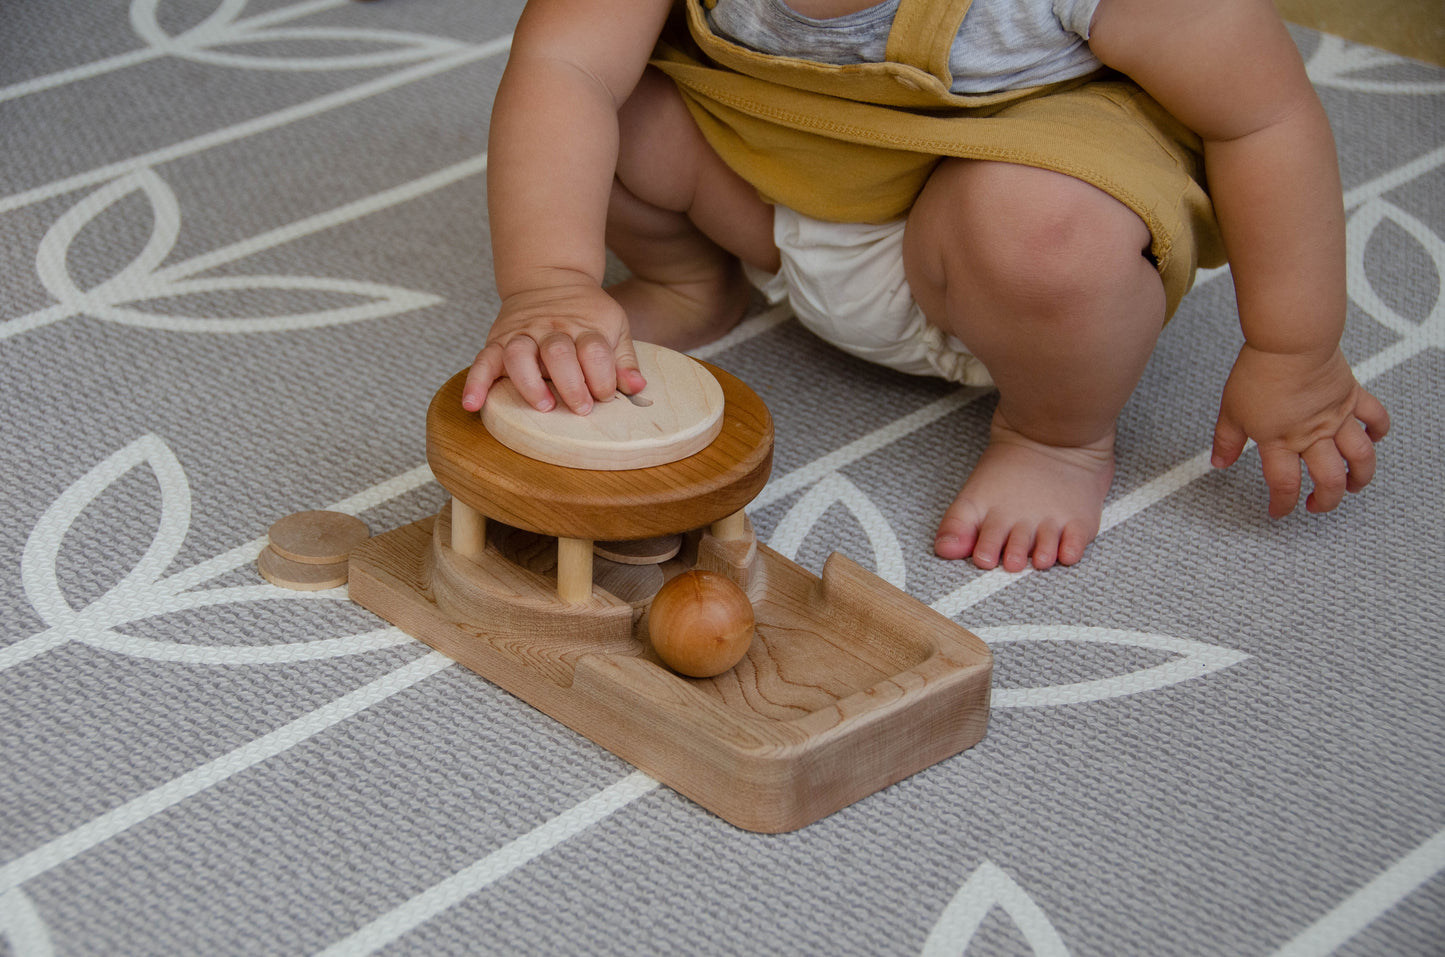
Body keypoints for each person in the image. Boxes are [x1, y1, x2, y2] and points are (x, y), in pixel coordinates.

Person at [460, 0, 1391, 572]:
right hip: (770, 203)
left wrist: (1291, 348)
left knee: (1045, 233)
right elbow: (565, 67)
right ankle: (691, 279)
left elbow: (1262, 118)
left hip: (995, 274)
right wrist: (548, 281)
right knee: (600, 112)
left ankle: (1055, 434)